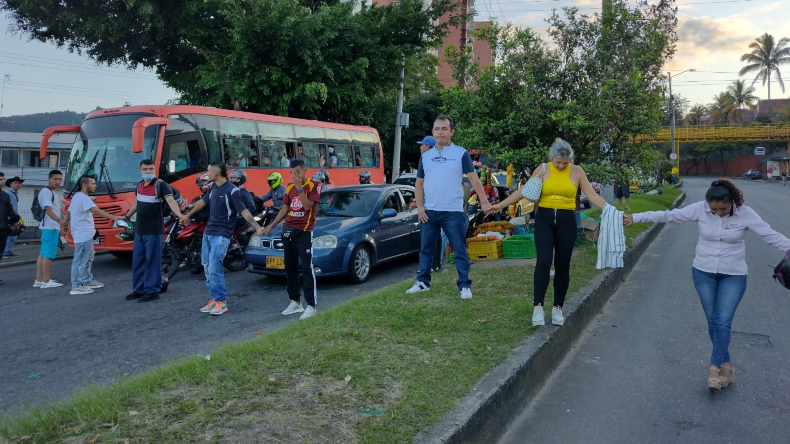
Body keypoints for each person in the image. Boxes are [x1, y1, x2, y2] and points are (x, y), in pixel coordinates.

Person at [624, 179, 790, 391]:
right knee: (713, 321)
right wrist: (635, 217)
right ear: (707, 204)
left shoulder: (745, 213)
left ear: (732, 202)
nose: (719, 213)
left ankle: (714, 369)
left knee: (722, 320)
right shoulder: (700, 210)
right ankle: (727, 366)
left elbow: (770, 235)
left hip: (734, 274)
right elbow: (668, 215)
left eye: (723, 209)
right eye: (714, 209)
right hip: (703, 272)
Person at [492, 138, 609, 326]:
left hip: (567, 220)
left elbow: (592, 195)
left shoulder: (577, 171)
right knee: (544, 260)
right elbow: (523, 191)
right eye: (558, 163)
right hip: (545, 219)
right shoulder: (543, 169)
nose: (562, 166)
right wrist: (501, 205)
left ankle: (557, 308)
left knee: (563, 264)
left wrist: (610, 210)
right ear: (551, 159)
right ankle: (537, 307)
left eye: (565, 163)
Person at [405, 115, 491, 300]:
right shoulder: (425, 157)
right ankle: (423, 282)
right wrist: (420, 207)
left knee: (459, 248)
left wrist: (484, 201)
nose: (440, 132)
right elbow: (419, 184)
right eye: (437, 129)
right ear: (432, 132)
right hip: (430, 212)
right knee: (426, 249)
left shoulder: (461, 153)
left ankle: (464, 285)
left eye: (444, 129)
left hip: (453, 211)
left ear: (451, 132)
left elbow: (474, 179)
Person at [181, 162, 265, 315]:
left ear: (217, 174)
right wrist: (188, 214)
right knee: (206, 266)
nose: (207, 175)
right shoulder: (213, 187)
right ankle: (214, 298)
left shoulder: (232, 191)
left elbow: (244, 211)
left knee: (214, 267)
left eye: (209, 172)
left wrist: (257, 226)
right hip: (209, 231)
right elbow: (203, 202)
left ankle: (221, 301)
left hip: (222, 234)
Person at [261, 159, 321, 320]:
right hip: (289, 230)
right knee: (290, 267)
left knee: (307, 268)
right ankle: (295, 301)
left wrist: (300, 188)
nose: (295, 176)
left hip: (304, 231)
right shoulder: (289, 187)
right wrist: (271, 226)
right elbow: (285, 209)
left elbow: (308, 206)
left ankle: (311, 305)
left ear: (304, 171)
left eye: (298, 172)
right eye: (292, 173)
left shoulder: (314, 185)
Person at [123, 160, 184, 303]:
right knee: (138, 261)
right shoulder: (140, 185)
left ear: (155, 170)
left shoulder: (161, 185)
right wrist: (126, 216)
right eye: (145, 169)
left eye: (151, 169)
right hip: (140, 229)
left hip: (154, 230)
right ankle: (138, 290)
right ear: (140, 170)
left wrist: (180, 215)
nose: (148, 171)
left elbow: (170, 201)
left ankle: (152, 291)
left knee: (152, 261)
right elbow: (137, 202)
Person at [65, 175, 120, 295]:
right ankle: (76, 286)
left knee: (89, 258)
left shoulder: (77, 197)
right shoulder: (83, 198)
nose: (95, 185)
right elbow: (97, 211)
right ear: (85, 185)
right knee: (80, 260)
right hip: (83, 235)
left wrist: (65, 223)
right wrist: (115, 218)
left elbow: (69, 211)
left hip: (87, 234)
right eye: (93, 183)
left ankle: (87, 280)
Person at [35, 170, 67, 289]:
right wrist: (60, 221)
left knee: (43, 253)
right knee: (48, 255)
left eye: (59, 179)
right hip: (50, 227)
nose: (58, 181)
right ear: (49, 179)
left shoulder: (51, 191)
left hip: (48, 227)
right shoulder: (47, 192)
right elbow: (49, 210)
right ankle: (46, 281)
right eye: (55, 179)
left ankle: (39, 279)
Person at [0, 173, 21, 284]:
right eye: (0, 179)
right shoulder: (8, 194)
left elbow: (11, 211)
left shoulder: (5, 195)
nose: (2, 181)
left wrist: (18, 221)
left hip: (3, 228)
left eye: (3, 179)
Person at [3, 176, 22, 257]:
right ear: (11, 184)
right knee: (12, 235)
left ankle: (7, 251)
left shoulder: (14, 193)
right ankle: (6, 252)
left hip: (12, 217)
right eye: (15, 183)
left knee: (12, 235)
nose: (18, 185)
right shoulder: (8, 193)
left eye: (19, 183)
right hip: (9, 218)